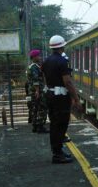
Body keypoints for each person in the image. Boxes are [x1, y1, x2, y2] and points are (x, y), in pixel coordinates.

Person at [42, 35, 79, 164]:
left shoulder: (46, 61)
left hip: (50, 95)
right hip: (61, 97)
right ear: (62, 46)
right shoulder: (63, 61)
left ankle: (57, 152)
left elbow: (45, 79)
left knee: (54, 124)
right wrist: (75, 98)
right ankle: (57, 155)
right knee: (61, 125)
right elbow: (67, 82)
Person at [26, 49, 48, 133]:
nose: (40, 57)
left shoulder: (34, 66)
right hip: (37, 91)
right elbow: (36, 80)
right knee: (42, 108)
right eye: (38, 56)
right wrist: (38, 91)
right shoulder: (34, 67)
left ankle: (35, 126)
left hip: (34, 91)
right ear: (34, 57)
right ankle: (40, 127)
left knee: (35, 109)